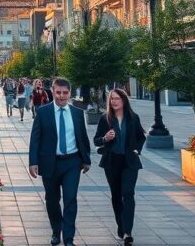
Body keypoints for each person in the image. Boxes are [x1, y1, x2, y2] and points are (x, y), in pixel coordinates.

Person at [29, 77, 91, 246]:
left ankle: (69, 238)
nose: (61, 96)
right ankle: (56, 231)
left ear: (69, 93)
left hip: (72, 162)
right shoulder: (43, 112)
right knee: (52, 199)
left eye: (65, 92)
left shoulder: (77, 113)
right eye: (58, 92)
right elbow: (35, 139)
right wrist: (33, 162)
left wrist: (86, 160)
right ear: (53, 92)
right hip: (50, 163)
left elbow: (82, 138)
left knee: (70, 199)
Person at [93, 88, 146, 245]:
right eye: (112, 99)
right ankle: (121, 227)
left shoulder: (133, 118)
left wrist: (137, 150)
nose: (113, 101)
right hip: (112, 162)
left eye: (117, 98)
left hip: (129, 162)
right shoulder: (105, 119)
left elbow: (141, 137)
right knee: (116, 195)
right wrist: (105, 138)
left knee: (128, 193)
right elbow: (96, 140)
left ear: (124, 100)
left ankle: (128, 232)